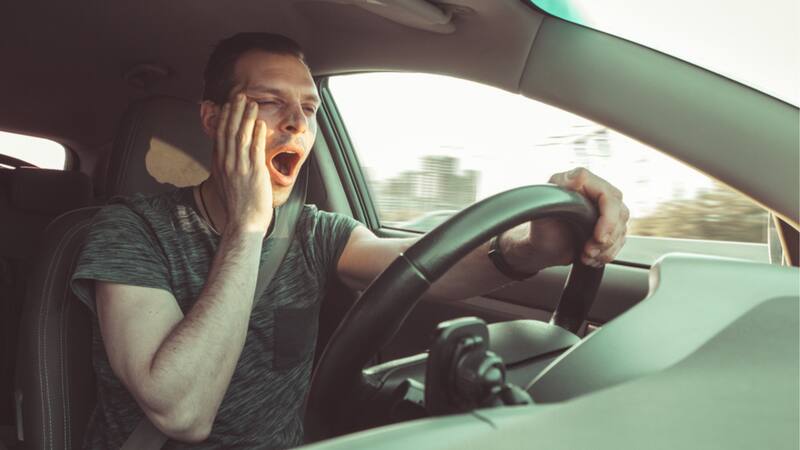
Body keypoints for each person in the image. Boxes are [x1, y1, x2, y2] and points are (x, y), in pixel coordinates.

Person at [71, 33, 629, 449]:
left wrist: (525, 247)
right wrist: (247, 228)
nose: (296, 124)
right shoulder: (131, 229)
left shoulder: (314, 231)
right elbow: (180, 412)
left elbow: (417, 267)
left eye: (309, 109)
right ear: (214, 119)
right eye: (268, 102)